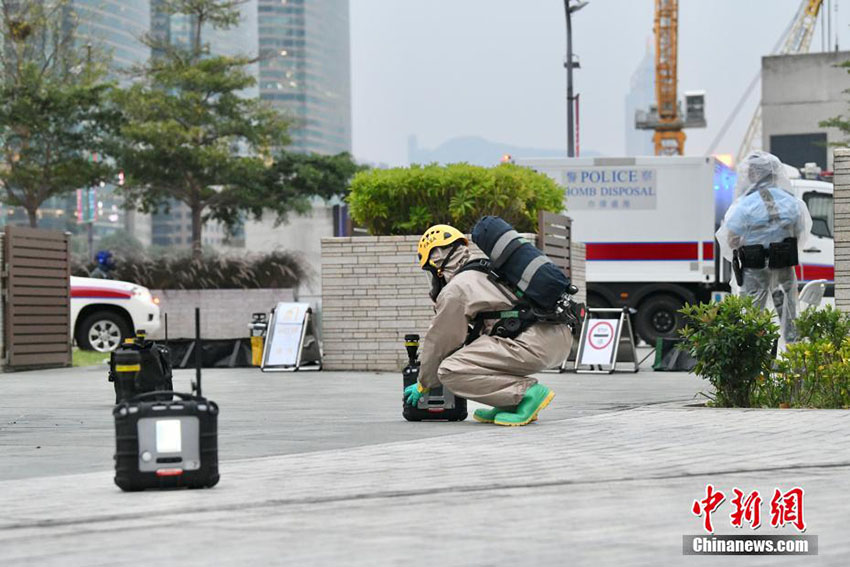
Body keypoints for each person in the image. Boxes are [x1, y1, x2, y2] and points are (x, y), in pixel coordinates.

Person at [403, 224, 572, 426]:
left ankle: (527, 394)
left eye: (430, 270)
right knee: (478, 353)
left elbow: (440, 342)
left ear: (436, 261)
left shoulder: (456, 288)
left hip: (533, 342)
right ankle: (508, 403)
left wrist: (424, 383)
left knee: (450, 370)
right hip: (553, 336)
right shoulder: (485, 267)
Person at [716, 151, 812, 342]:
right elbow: (800, 233)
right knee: (789, 313)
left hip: (756, 265)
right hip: (784, 262)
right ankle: (796, 360)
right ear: (775, 173)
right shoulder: (792, 202)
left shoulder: (744, 206)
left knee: (754, 316)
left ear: (751, 175)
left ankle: (756, 359)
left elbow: (730, 239)